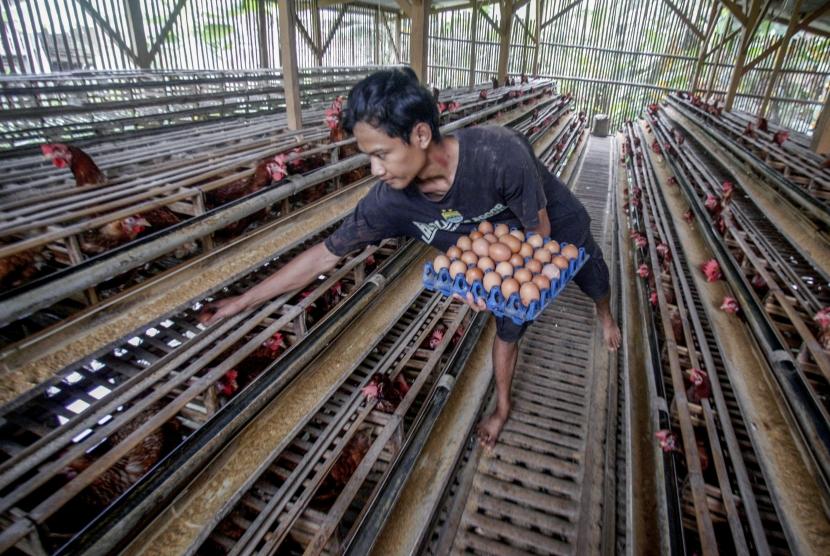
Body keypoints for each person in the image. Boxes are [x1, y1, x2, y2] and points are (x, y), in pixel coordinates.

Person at [199, 68, 621, 449]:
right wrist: (241, 302)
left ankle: (605, 314)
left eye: (381, 153)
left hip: (555, 226)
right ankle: (503, 406)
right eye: (368, 156)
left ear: (420, 135)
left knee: (593, 278)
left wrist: (496, 276)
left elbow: (538, 233)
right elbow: (323, 256)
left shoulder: (498, 154)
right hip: (504, 260)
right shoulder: (390, 203)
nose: (374, 169)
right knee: (508, 331)